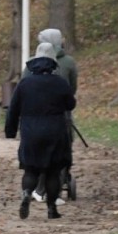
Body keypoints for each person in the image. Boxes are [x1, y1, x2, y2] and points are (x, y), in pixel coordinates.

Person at [5, 42, 76, 220]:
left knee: (31, 169)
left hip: (31, 131)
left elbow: (13, 109)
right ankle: (52, 208)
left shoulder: (25, 84)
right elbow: (71, 104)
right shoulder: (59, 83)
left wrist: (10, 131)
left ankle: (27, 193)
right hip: (55, 131)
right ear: (53, 62)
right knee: (53, 171)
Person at [23, 28, 79, 204]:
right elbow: (72, 89)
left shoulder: (30, 65)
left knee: (37, 152)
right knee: (61, 152)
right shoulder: (68, 62)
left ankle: (35, 188)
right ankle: (55, 190)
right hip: (61, 114)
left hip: (34, 116)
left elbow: (23, 88)